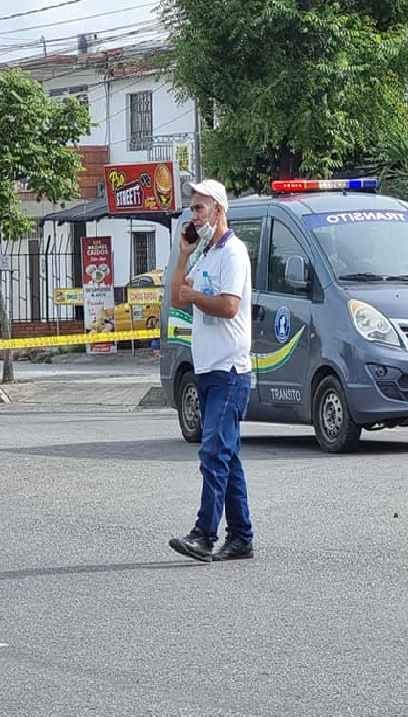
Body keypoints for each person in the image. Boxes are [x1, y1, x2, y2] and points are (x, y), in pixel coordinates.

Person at [167, 179, 255, 562]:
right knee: (226, 456)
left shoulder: (233, 253)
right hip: (207, 368)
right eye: (192, 207)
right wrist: (184, 256)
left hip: (230, 369)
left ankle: (204, 533)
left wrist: (195, 296)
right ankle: (241, 537)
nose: (193, 214)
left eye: (200, 207)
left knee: (213, 452)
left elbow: (230, 306)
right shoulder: (204, 254)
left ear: (219, 209)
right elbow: (176, 298)